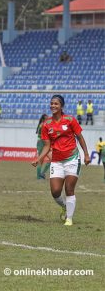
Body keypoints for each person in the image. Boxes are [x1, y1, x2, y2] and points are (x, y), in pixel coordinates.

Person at [32, 95, 90, 226]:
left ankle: (69, 218)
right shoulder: (46, 124)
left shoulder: (70, 120)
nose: (53, 106)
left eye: (56, 104)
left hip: (72, 159)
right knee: (55, 192)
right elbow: (47, 145)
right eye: (51, 103)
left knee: (69, 189)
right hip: (57, 161)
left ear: (61, 106)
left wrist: (86, 154)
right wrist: (38, 159)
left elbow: (80, 137)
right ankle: (64, 206)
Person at [35, 114, 50, 179]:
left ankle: (42, 173)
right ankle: (39, 176)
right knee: (41, 160)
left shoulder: (43, 124)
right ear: (44, 119)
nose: (48, 119)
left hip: (43, 143)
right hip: (41, 143)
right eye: (47, 118)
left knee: (52, 159)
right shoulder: (43, 125)